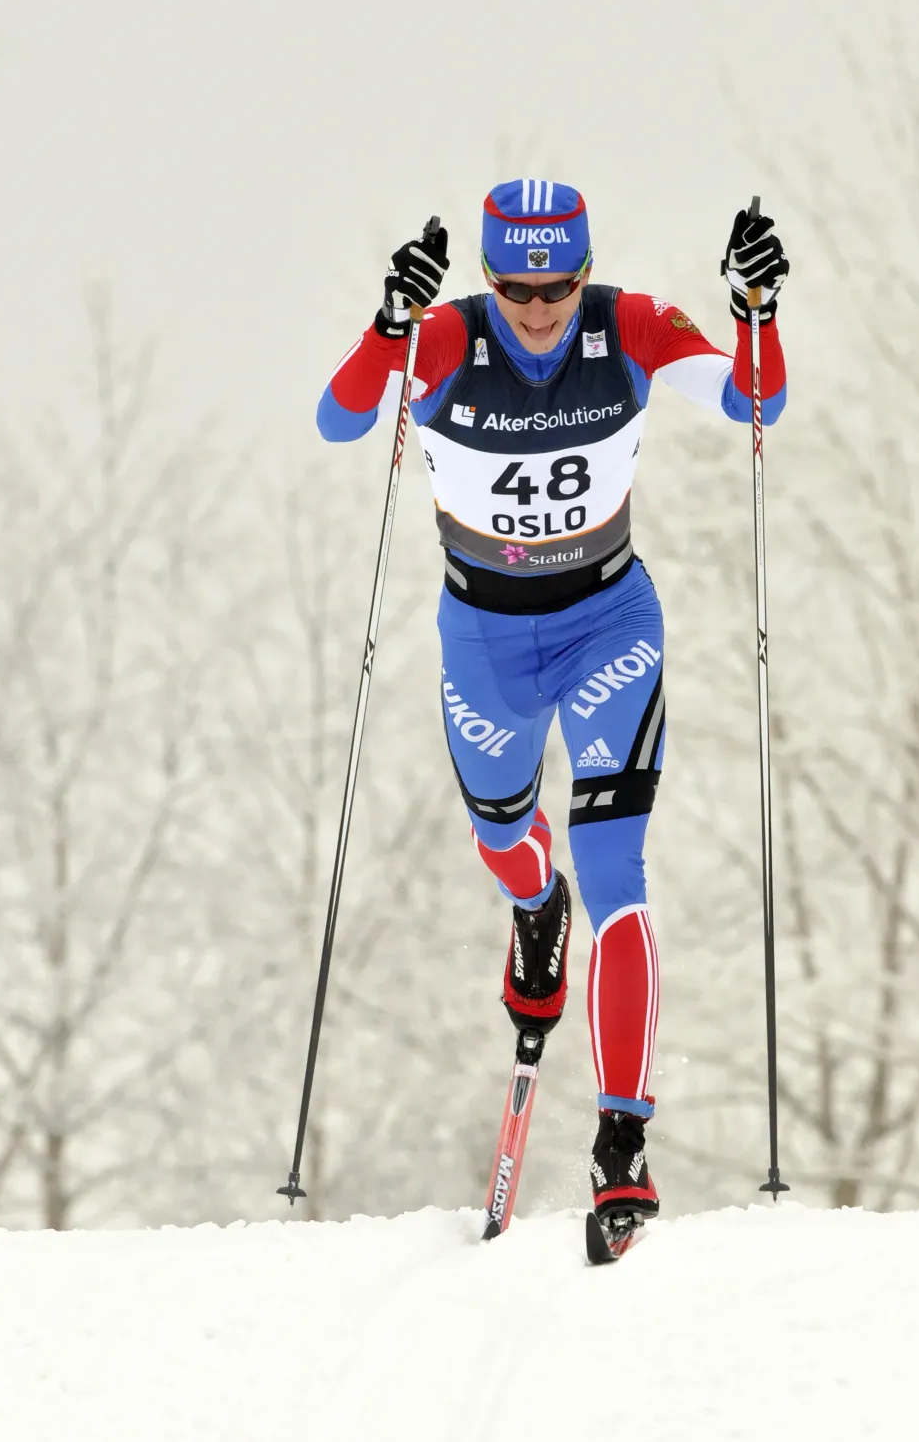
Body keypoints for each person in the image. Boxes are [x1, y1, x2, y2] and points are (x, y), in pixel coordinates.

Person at [317, 180, 788, 1225]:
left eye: (559, 286)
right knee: (505, 837)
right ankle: (535, 909)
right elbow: (340, 419)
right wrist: (387, 326)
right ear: (490, 279)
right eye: (518, 289)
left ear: (585, 270)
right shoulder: (443, 341)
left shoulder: (629, 324)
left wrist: (755, 315)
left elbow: (754, 399)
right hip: (483, 641)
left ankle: (623, 1138)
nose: (540, 310)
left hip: (606, 625)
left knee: (616, 866)